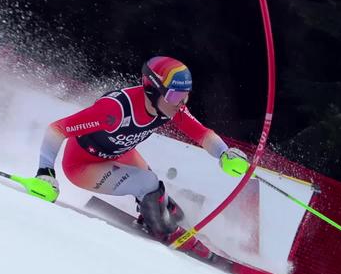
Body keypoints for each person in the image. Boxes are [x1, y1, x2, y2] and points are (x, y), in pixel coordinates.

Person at [35, 56, 250, 259]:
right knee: (148, 185)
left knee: (170, 206)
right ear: (151, 90)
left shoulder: (171, 108)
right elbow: (57, 129)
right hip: (82, 165)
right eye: (175, 95)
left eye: (186, 95)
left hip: (118, 152)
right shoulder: (114, 111)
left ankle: (159, 218)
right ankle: (162, 230)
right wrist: (46, 172)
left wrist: (224, 153)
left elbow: (203, 134)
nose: (181, 103)